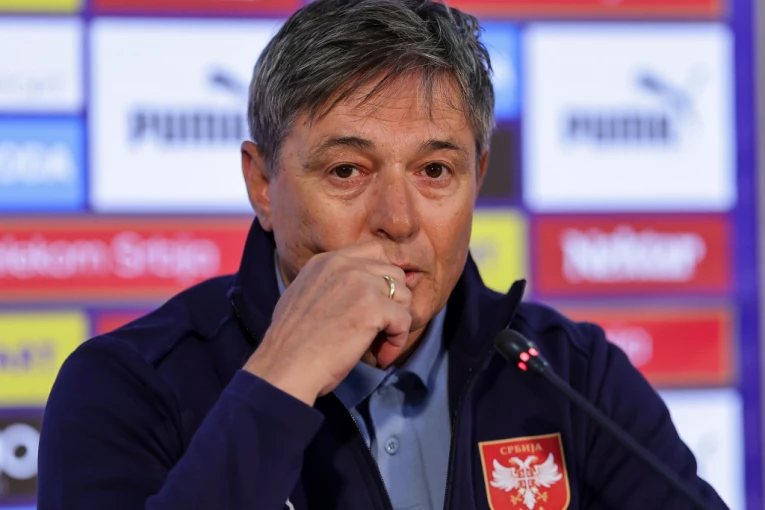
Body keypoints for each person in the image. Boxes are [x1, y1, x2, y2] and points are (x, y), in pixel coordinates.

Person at [38, 1, 728, 509]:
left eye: (434, 171)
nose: (396, 220)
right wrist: (280, 378)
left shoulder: (571, 375)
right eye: (347, 171)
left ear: (477, 178)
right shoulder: (128, 385)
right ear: (262, 184)